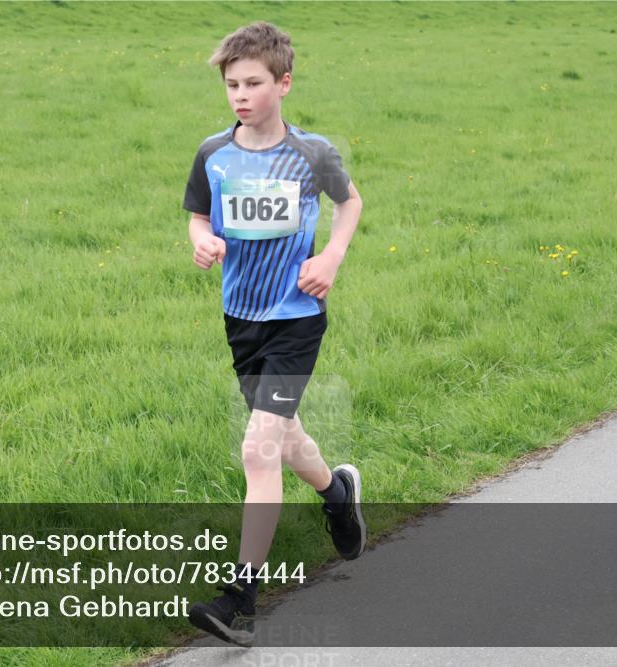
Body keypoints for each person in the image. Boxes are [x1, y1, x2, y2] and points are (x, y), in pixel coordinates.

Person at [181, 21, 367, 647]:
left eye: (253, 83)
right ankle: (337, 494)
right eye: (231, 84)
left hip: (296, 320)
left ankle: (239, 600)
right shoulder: (213, 153)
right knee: (284, 439)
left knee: (257, 448)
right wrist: (203, 241)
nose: (240, 94)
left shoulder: (312, 153)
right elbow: (200, 215)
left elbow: (350, 203)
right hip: (242, 321)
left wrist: (332, 257)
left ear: (283, 83)